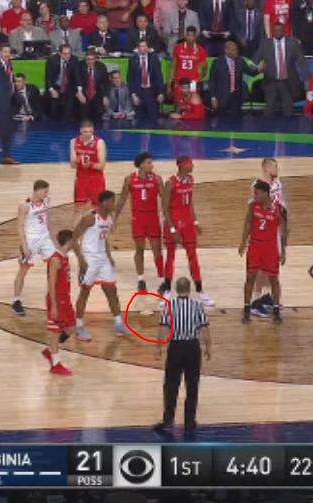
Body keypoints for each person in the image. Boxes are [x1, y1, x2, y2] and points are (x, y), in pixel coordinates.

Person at [153, 276, 211, 439]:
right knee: (192, 385)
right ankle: (189, 421)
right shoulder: (197, 305)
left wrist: (159, 348)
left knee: (171, 385)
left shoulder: (169, 306)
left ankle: (168, 420)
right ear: (190, 289)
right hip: (193, 347)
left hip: (176, 347)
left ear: (176, 290)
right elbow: (204, 328)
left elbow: (163, 328)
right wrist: (208, 347)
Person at [71, 190, 132, 340]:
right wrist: (81, 261)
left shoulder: (109, 218)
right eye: (112, 201)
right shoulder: (90, 218)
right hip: (90, 258)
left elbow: (104, 239)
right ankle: (78, 326)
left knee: (112, 290)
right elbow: (73, 238)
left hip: (103, 258)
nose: (114, 204)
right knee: (85, 292)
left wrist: (109, 256)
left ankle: (118, 324)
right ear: (104, 202)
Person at [160, 156, 214, 307]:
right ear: (181, 165)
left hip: (188, 223)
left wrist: (195, 222)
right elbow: (164, 208)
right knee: (170, 257)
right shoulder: (170, 182)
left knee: (193, 257)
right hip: (174, 223)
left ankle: (200, 291)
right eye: (190, 163)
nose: (193, 166)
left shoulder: (190, 180)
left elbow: (190, 204)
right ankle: (167, 291)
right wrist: (172, 229)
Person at [239, 180, 287, 324]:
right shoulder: (253, 205)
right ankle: (247, 311)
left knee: (274, 280)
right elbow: (247, 223)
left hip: (270, 248)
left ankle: (276, 311)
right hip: (255, 246)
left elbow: (283, 232)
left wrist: (283, 251)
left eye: (257, 193)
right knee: (250, 278)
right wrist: (243, 242)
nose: (254, 196)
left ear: (266, 193)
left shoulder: (279, 208)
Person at [116, 152, 164, 293]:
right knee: (139, 249)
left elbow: (165, 199)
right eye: (149, 162)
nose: (152, 165)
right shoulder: (130, 179)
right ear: (141, 164)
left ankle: (162, 280)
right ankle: (141, 279)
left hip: (153, 219)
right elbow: (122, 199)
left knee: (157, 250)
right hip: (138, 220)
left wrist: (170, 216)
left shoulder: (157, 179)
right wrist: (115, 218)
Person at [10, 179, 56, 316]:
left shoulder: (47, 201)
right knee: (23, 270)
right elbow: (19, 226)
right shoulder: (25, 206)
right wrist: (24, 245)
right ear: (37, 190)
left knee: (56, 264)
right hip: (31, 240)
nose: (47, 194)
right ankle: (16, 301)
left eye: (47, 191)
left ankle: (53, 296)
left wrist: (52, 238)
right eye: (45, 191)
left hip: (45, 238)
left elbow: (48, 219)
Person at [255, 23, 306, 118]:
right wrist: (258, 67)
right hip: (271, 81)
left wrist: (306, 80)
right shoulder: (265, 43)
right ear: (272, 31)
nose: (278, 32)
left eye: (280, 30)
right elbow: (255, 60)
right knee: (269, 111)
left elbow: (301, 61)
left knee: (289, 112)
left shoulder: (293, 43)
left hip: (288, 82)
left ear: (284, 31)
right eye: (276, 30)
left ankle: (289, 132)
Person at [44, 229, 76, 376]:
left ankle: (50, 350)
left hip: (65, 298)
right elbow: (51, 284)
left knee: (70, 327)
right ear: (69, 241)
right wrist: (54, 305)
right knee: (56, 332)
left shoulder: (65, 257)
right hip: (57, 299)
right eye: (74, 240)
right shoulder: (56, 259)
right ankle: (55, 364)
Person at [208, 40, 258, 117]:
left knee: (237, 123)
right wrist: (213, 98)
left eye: (236, 50)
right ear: (226, 50)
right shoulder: (217, 62)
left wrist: (259, 69)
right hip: (222, 98)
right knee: (222, 123)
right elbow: (212, 81)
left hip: (237, 98)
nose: (236, 52)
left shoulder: (240, 61)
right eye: (233, 50)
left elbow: (251, 73)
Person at [71, 120, 107, 209]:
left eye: (90, 132)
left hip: (96, 180)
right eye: (85, 132)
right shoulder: (74, 142)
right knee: (79, 209)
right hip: (81, 180)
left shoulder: (99, 142)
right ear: (80, 131)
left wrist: (90, 164)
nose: (88, 134)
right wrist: (77, 161)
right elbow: (72, 165)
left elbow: (102, 166)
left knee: (98, 208)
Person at [129, 40, 165, 120]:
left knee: (153, 117)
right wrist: (133, 95)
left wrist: (160, 93)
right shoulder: (133, 60)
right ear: (138, 49)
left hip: (151, 91)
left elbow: (159, 76)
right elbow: (131, 78)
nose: (143, 48)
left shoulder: (154, 58)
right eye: (141, 46)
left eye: (145, 46)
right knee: (139, 118)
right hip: (139, 92)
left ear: (148, 48)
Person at [45, 44, 82, 121]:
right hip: (56, 86)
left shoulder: (74, 60)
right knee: (53, 112)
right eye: (65, 54)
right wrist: (52, 90)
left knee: (68, 112)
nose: (68, 56)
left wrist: (79, 91)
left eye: (69, 53)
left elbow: (78, 76)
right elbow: (48, 77)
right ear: (60, 53)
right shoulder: (52, 60)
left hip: (68, 87)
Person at [171, 26, 207, 98]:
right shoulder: (178, 48)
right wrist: (173, 79)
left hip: (193, 82)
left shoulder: (201, 50)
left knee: (192, 103)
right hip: (180, 81)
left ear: (195, 36)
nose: (190, 38)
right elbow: (174, 64)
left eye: (192, 35)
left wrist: (198, 80)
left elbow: (204, 68)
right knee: (180, 104)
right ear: (185, 35)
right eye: (188, 35)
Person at [78, 50, 108, 121]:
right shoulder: (80, 66)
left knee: (98, 115)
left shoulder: (101, 67)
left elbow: (105, 83)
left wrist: (105, 96)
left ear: (95, 59)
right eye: (88, 59)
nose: (90, 61)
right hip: (84, 93)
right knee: (83, 114)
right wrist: (79, 92)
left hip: (97, 93)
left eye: (92, 59)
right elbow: (76, 81)